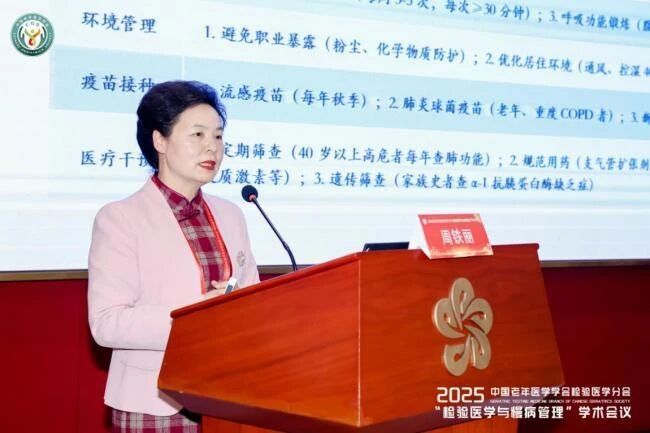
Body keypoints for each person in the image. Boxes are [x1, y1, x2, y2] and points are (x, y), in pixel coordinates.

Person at [87, 80, 259, 432]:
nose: (212, 147)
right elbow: (107, 323)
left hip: (226, 397)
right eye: (197, 135)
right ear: (160, 141)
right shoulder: (120, 218)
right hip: (155, 402)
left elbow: (252, 300)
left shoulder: (231, 215)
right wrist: (195, 318)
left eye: (218, 136)